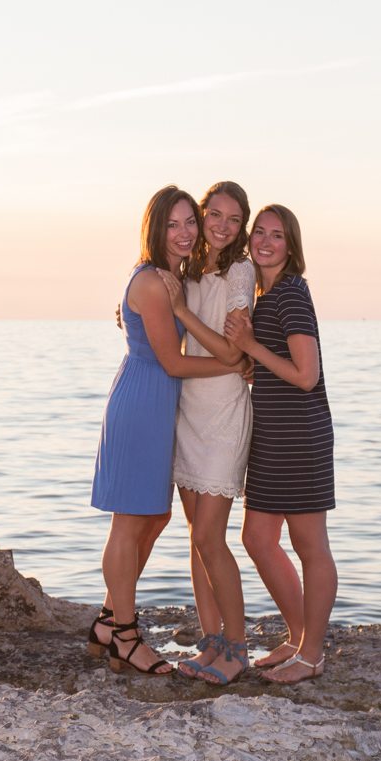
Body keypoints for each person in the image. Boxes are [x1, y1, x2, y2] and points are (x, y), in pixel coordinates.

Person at [89, 185, 242, 675]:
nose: (184, 233)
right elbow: (173, 363)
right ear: (155, 229)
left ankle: (110, 620)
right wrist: (232, 367)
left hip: (159, 406)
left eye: (188, 223)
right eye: (172, 225)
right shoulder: (156, 282)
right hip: (143, 404)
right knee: (130, 522)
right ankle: (125, 637)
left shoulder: (174, 277)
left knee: (153, 520)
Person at [224, 204, 336, 683]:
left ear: (291, 246)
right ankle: (296, 635)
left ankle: (311, 656)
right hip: (272, 435)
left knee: (310, 545)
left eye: (277, 235)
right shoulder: (265, 296)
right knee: (257, 538)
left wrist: (250, 348)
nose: (266, 242)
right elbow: (276, 366)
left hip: (301, 435)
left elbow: (306, 376)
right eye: (260, 233)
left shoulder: (289, 294)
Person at [156, 181, 256, 685]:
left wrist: (180, 313)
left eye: (232, 220)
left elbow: (231, 353)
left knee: (213, 537)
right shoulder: (187, 268)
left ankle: (238, 648)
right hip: (187, 410)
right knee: (196, 539)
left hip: (222, 414)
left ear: (241, 228)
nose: (220, 226)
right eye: (212, 214)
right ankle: (212, 641)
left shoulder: (241, 271)